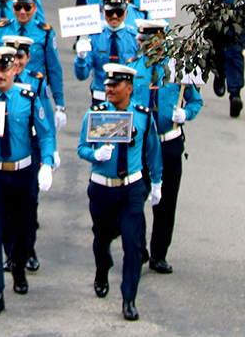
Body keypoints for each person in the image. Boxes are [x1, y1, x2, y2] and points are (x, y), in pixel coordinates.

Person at [0, 48, 56, 316]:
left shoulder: (28, 97)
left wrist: (47, 163)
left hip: (21, 173)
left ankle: (18, 265)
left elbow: (45, 134)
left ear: (14, 70)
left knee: (22, 231)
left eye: (4, 70)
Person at [78, 63, 162, 322]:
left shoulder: (143, 115)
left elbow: (152, 150)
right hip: (103, 187)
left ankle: (129, 298)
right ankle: (102, 269)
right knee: (101, 240)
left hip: (131, 189)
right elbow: (82, 148)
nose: (108, 89)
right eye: (107, 85)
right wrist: (96, 154)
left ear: (129, 88)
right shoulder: (96, 114)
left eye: (114, 86)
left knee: (133, 244)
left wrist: (156, 182)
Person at [141, 21, 203, 276]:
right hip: (143, 145)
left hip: (169, 142)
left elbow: (195, 101)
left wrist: (185, 113)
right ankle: (138, 247)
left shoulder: (178, 67)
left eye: (153, 40)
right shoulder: (134, 68)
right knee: (137, 197)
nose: (148, 45)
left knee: (166, 202)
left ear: (162, 39)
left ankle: (159, 254)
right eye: (143, 41)